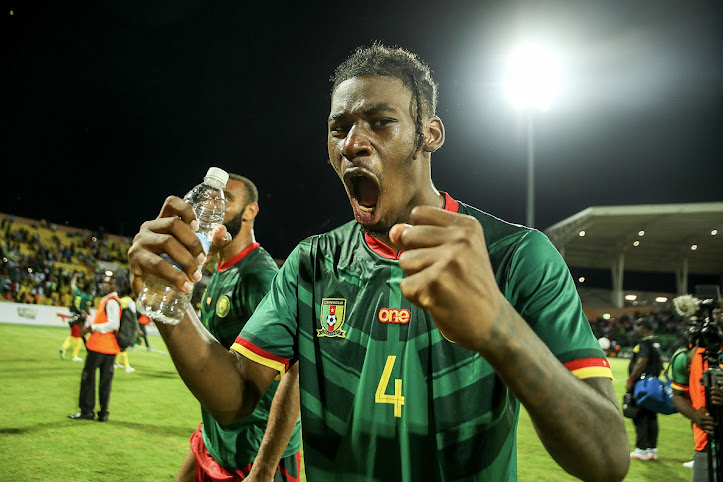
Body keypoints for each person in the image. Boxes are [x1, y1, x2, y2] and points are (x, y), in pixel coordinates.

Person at [128, 44, 629, 481]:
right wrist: (173, 306)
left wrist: (499, 326)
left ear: (429, 135)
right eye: (338, 128)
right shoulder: (313, 262)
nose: (352, 143)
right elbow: (235, 398)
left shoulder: (516, 255)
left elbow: (606, 458)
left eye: (381, 122)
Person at [174, 173, 302, 482]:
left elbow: (297, 372)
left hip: (252, 447)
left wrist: (265, 467)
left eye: (226, 199)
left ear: (250, 211)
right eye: (212, 199)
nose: (216, 206)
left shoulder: (260, 277)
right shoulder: (220, 268)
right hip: (215, 433)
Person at [671, 299, 723, 481]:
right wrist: (695, 415)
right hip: (708, 448)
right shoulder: (685, 357)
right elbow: (677, 396)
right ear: (706, 317)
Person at [68, 274, 121, 422]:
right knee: (105, 382)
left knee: (88, 379)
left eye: (108, 283)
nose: (104, 286)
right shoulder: (108, 301)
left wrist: (92, 328)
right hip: (109, 349)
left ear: (114, 287)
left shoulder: (111, 301)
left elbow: (113, 324)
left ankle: (87, 411)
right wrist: (87, 319)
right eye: (104, 283)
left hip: (99, 347)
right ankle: (103, 413)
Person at [626, 317, 663, 461]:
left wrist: (631, 380)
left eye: (638, 326)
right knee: (651, 416)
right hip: (653, 384)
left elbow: (641, 363)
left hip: (642, 384)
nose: (636, 329)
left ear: (644, 328)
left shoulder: (645, 344)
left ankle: (641, 450)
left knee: (639, 415)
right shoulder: (655, 343)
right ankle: (651, 449)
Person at [60, 273, 92, 362]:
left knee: (73, 335)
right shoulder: (88, 297)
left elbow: (72, 285)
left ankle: (64, 347)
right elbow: (88, 308)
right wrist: (90, 317)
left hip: (73, 316)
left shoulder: (78, 293)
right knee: (78, 338)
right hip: (81, 319)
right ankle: (74, 355)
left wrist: (74, 277)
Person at [114, 289, 137, 374]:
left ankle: (115, 363)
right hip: (125, 326)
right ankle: (127, 366)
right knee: (123, 346)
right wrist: (137, 328)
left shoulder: (121, 300)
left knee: (119, 345)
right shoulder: (130, 302)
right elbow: (133, 316)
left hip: (117, 323)